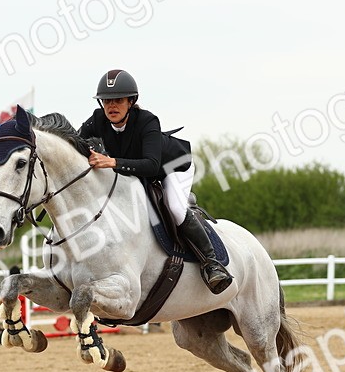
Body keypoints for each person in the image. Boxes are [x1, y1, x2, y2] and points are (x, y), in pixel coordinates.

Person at [79, 69, 232, 293]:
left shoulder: (147, 120)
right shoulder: (97, 119)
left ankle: (212, 263)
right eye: (107, 101)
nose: (111, 106)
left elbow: (151, 165)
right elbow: (76, 144)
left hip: (173, 167)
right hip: (134, 170)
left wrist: (111, 161)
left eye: (118, 100)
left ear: (131, 101)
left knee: (175, 207)